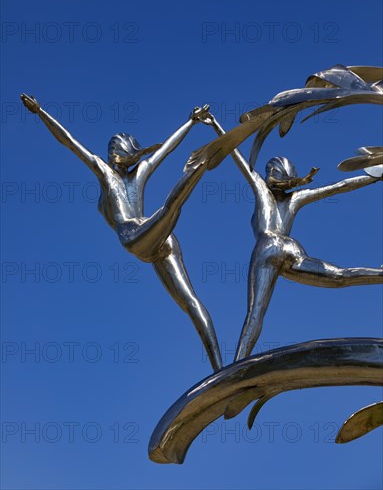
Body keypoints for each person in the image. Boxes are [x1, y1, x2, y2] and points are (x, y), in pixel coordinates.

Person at [20, 94, 223, 371]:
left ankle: (221, 367)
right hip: (154, 237)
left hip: (138, 237)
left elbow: (70, 142)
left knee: (170, 212)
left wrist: (190, 122)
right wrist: (41, 112)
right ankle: (219, 368)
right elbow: (69, 141)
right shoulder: (120, 172)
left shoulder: (115, 172)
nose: (136, 160)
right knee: (189, 300)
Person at [201, 113, 383, 361]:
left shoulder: (262, 188)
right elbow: (338, 187)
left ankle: (236, 364)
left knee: (255, 313)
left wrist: (215, 126)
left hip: (268, 247)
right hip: (292, 249)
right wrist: (375, 176)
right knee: (339, 276)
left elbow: (238, 157)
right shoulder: (295, 197)